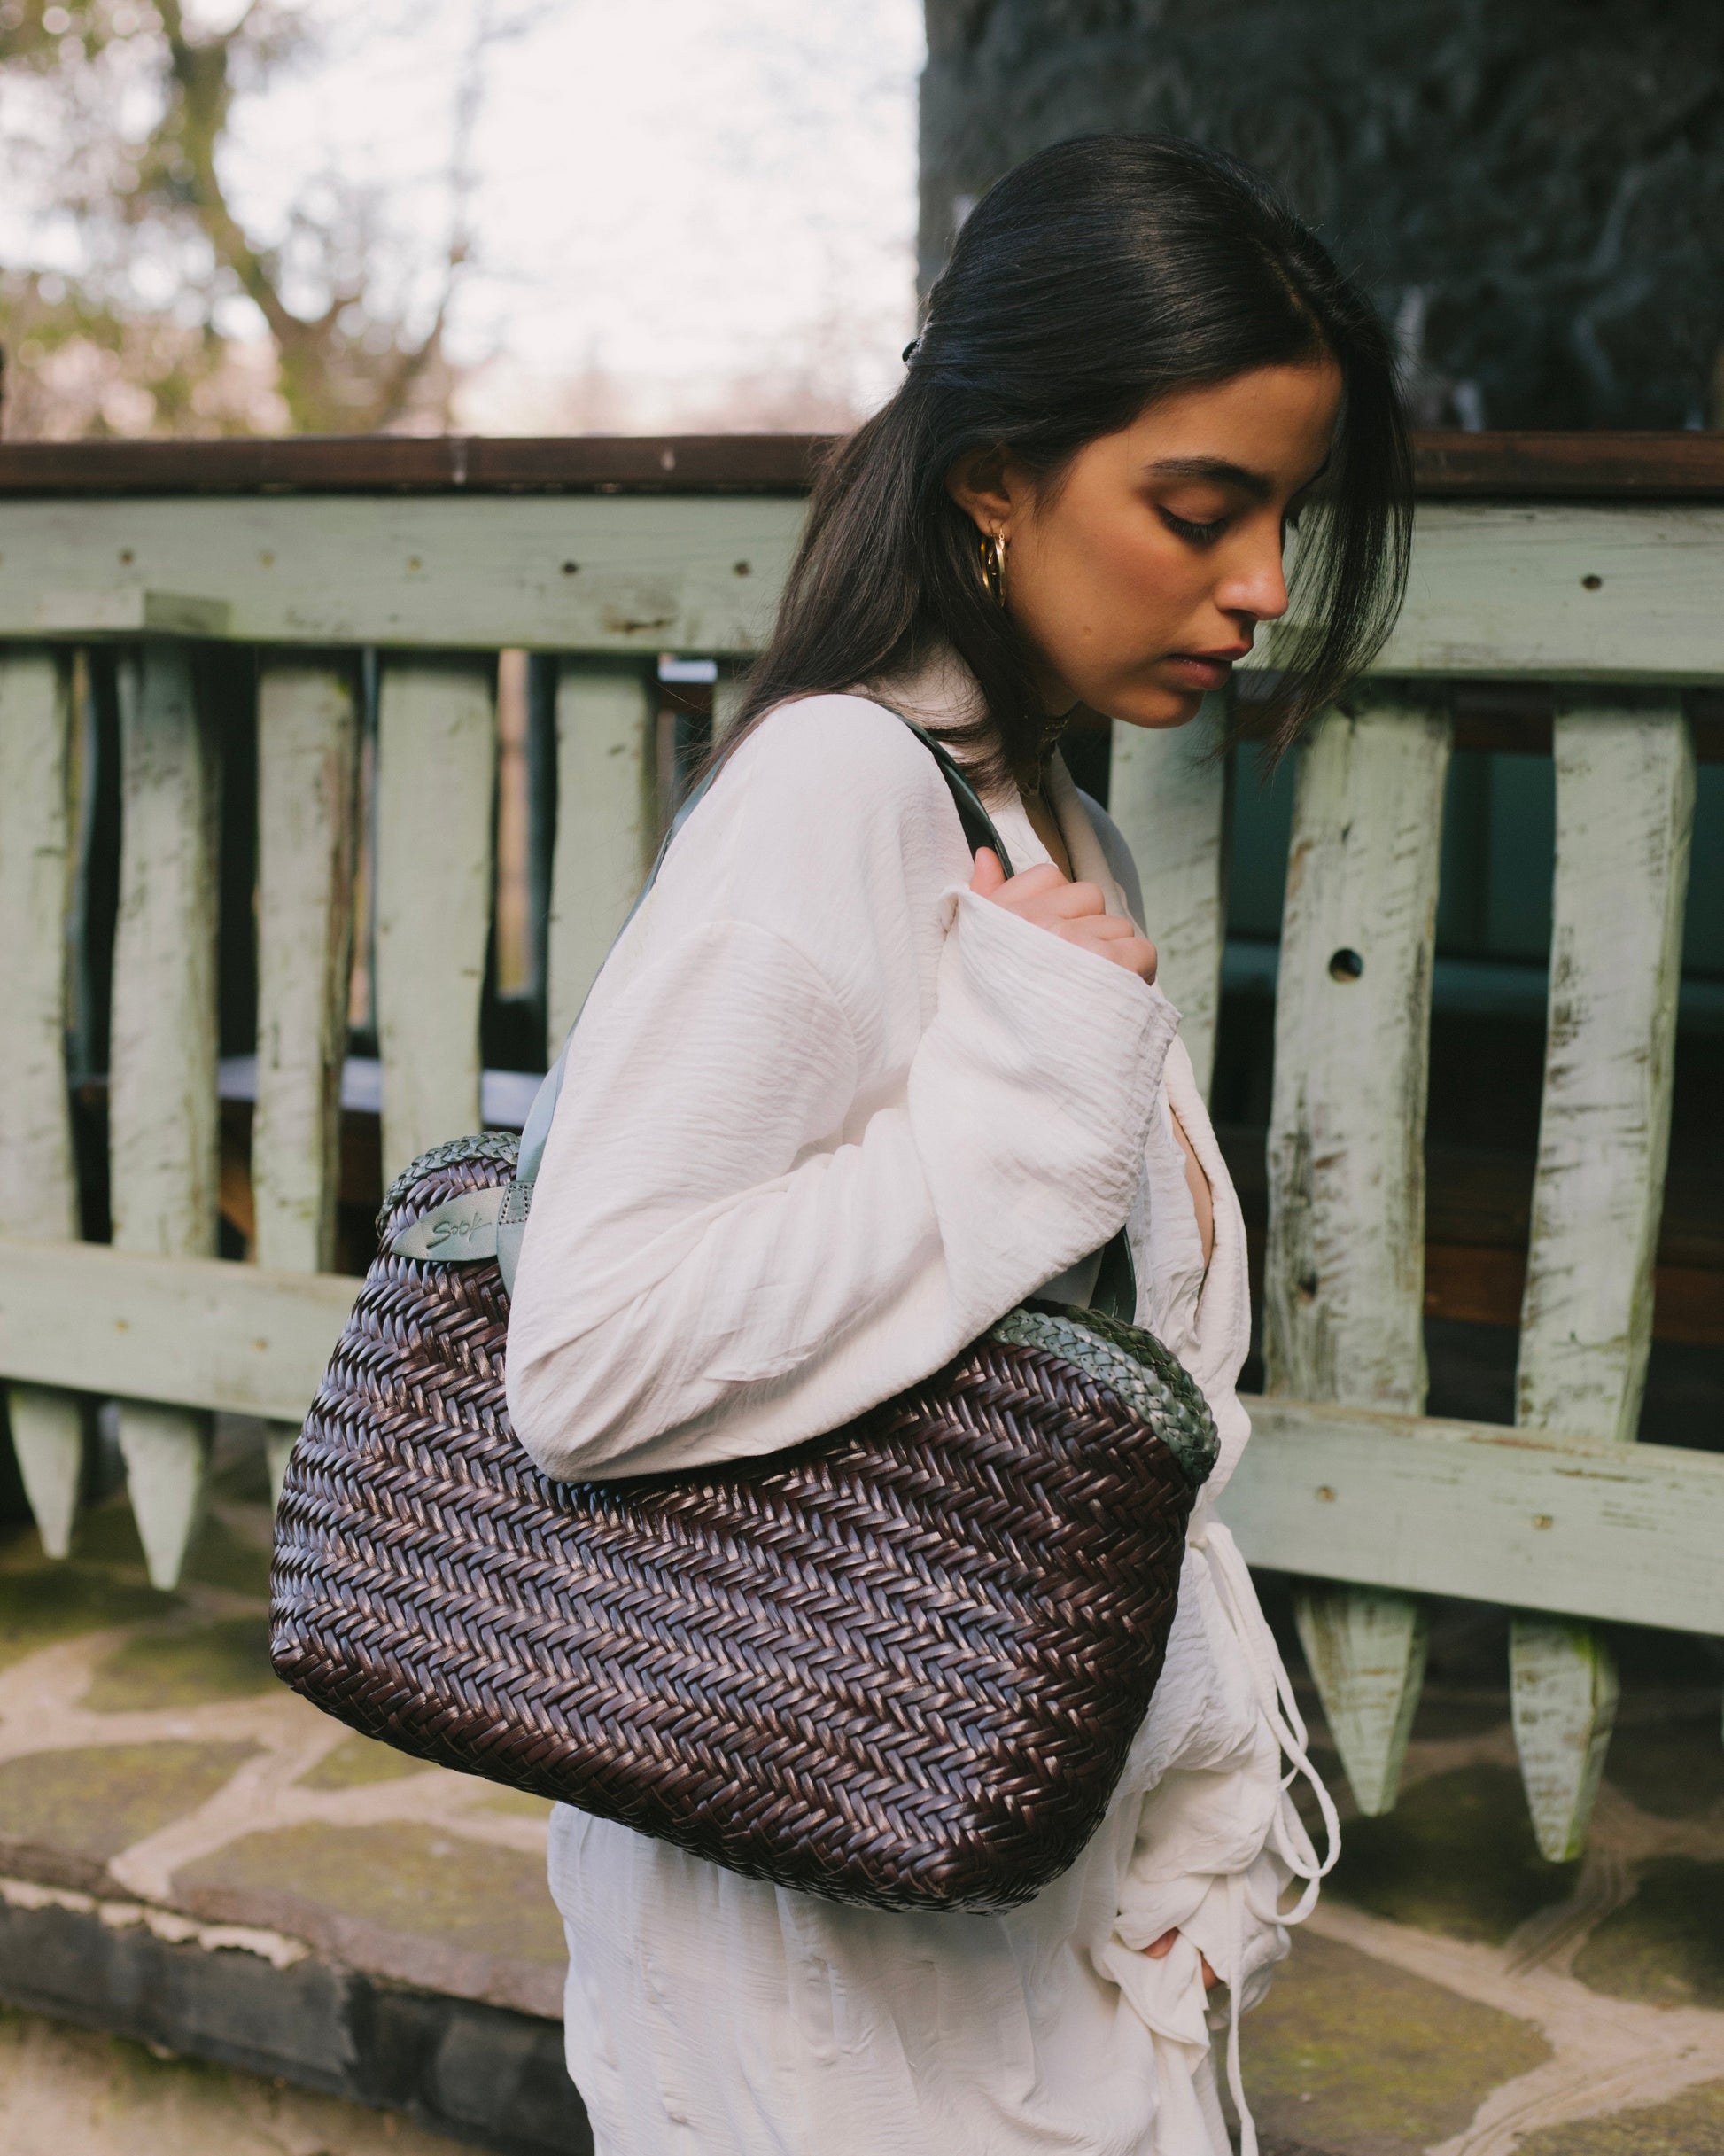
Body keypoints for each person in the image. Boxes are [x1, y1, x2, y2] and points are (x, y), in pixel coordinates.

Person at [506, 133, 1410, 2156]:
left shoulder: (1040, 821)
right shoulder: (839, 789)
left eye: (1285, 515)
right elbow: (588, 1352)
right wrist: (1020, 1097)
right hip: (825, 1956)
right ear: (993, 480)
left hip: (982, 1900)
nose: (1259, 585)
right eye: (1199, 508)